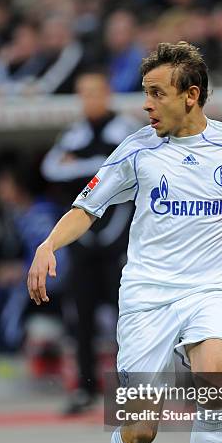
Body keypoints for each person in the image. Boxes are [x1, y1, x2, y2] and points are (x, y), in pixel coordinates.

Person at [27, 42, 222, 443]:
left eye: (156, 93)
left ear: (191, 95)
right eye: (145, 92)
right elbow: (86, 206)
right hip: (146, 297)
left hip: (211, 288)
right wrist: (48, 245)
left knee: (214, 381)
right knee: (141, 424)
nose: (147, 104)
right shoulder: (136, 150)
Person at [41, 71, 138, 414]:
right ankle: (85, 387)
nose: (89, 99)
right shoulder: (74, 132)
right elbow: (51, 169)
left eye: (95, 92)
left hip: (119, 240)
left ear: (108, 92)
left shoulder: (127, 129)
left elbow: (127, 170)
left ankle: (134, 390)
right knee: (80, 317)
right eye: (83, 93)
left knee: (129, 319)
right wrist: (100, 165)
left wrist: (83, 166)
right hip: (83, 241)